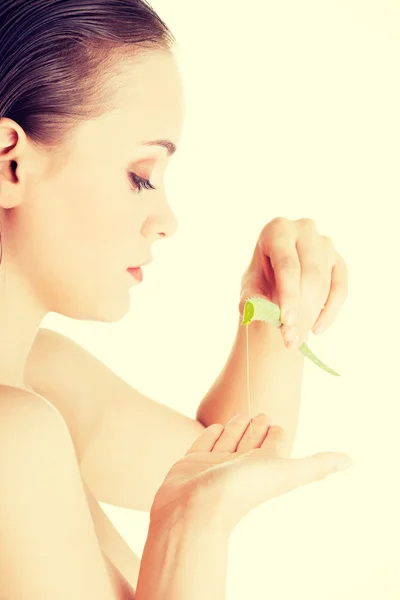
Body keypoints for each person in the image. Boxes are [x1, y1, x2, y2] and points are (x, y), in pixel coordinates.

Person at [0, 1, 352, 598]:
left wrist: (266, 302)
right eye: (141, 174)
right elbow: (204, 494)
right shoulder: (15, 435)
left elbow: (229, 456)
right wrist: (191, 533)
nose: (166, 219)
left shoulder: (41, 374)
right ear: (10, 163)